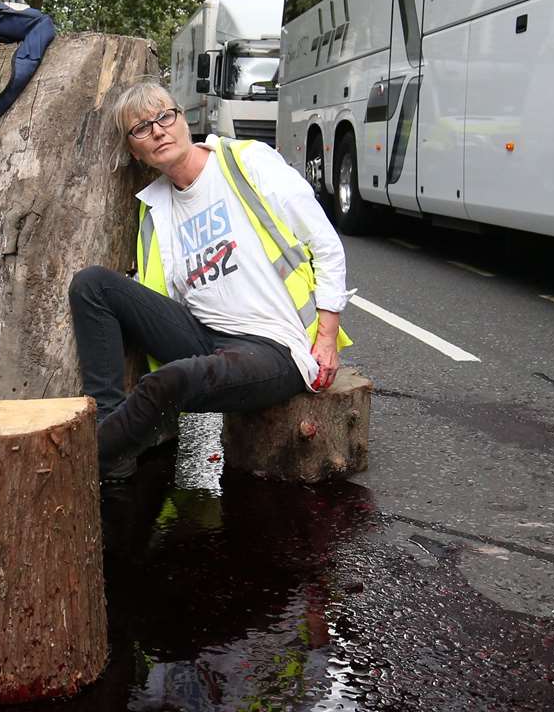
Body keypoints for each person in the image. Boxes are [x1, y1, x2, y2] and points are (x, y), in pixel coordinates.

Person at [69, 81, 353, 480]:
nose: (158, 130)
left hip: (274, 347)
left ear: (184, 121)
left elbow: (324, 244)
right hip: (204, 335)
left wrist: (327, 337)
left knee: (173, 379)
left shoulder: (245, 162)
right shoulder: (155, 208)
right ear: (136, 151)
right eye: (141, 128)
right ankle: (110, 434)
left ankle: (84, 460)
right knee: (93, 285)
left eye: (165, 116)